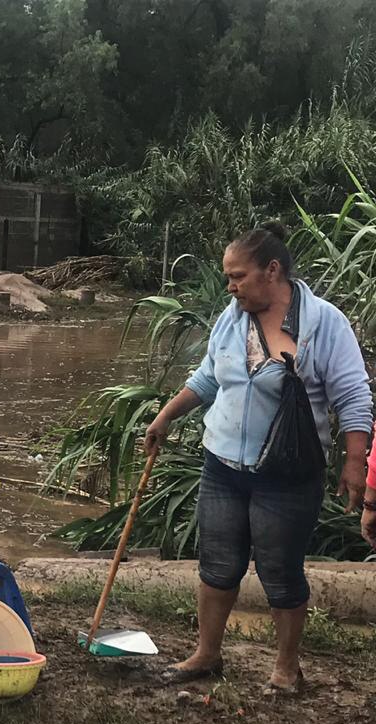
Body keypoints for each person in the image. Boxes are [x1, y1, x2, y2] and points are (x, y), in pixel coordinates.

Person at [144, 222, 372, 695]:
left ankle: (286, 669)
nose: (230, 286)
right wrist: (164, 417)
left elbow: (353, 396)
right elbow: (208, 377)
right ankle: (207, 654)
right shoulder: (232, 317)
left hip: (288, 474)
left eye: (238, 276)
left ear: (272, 271)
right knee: (218, 564)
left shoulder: (324, 324)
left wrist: (355, 462)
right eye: (228, 277)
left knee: (280, 571)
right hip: (223, 466)